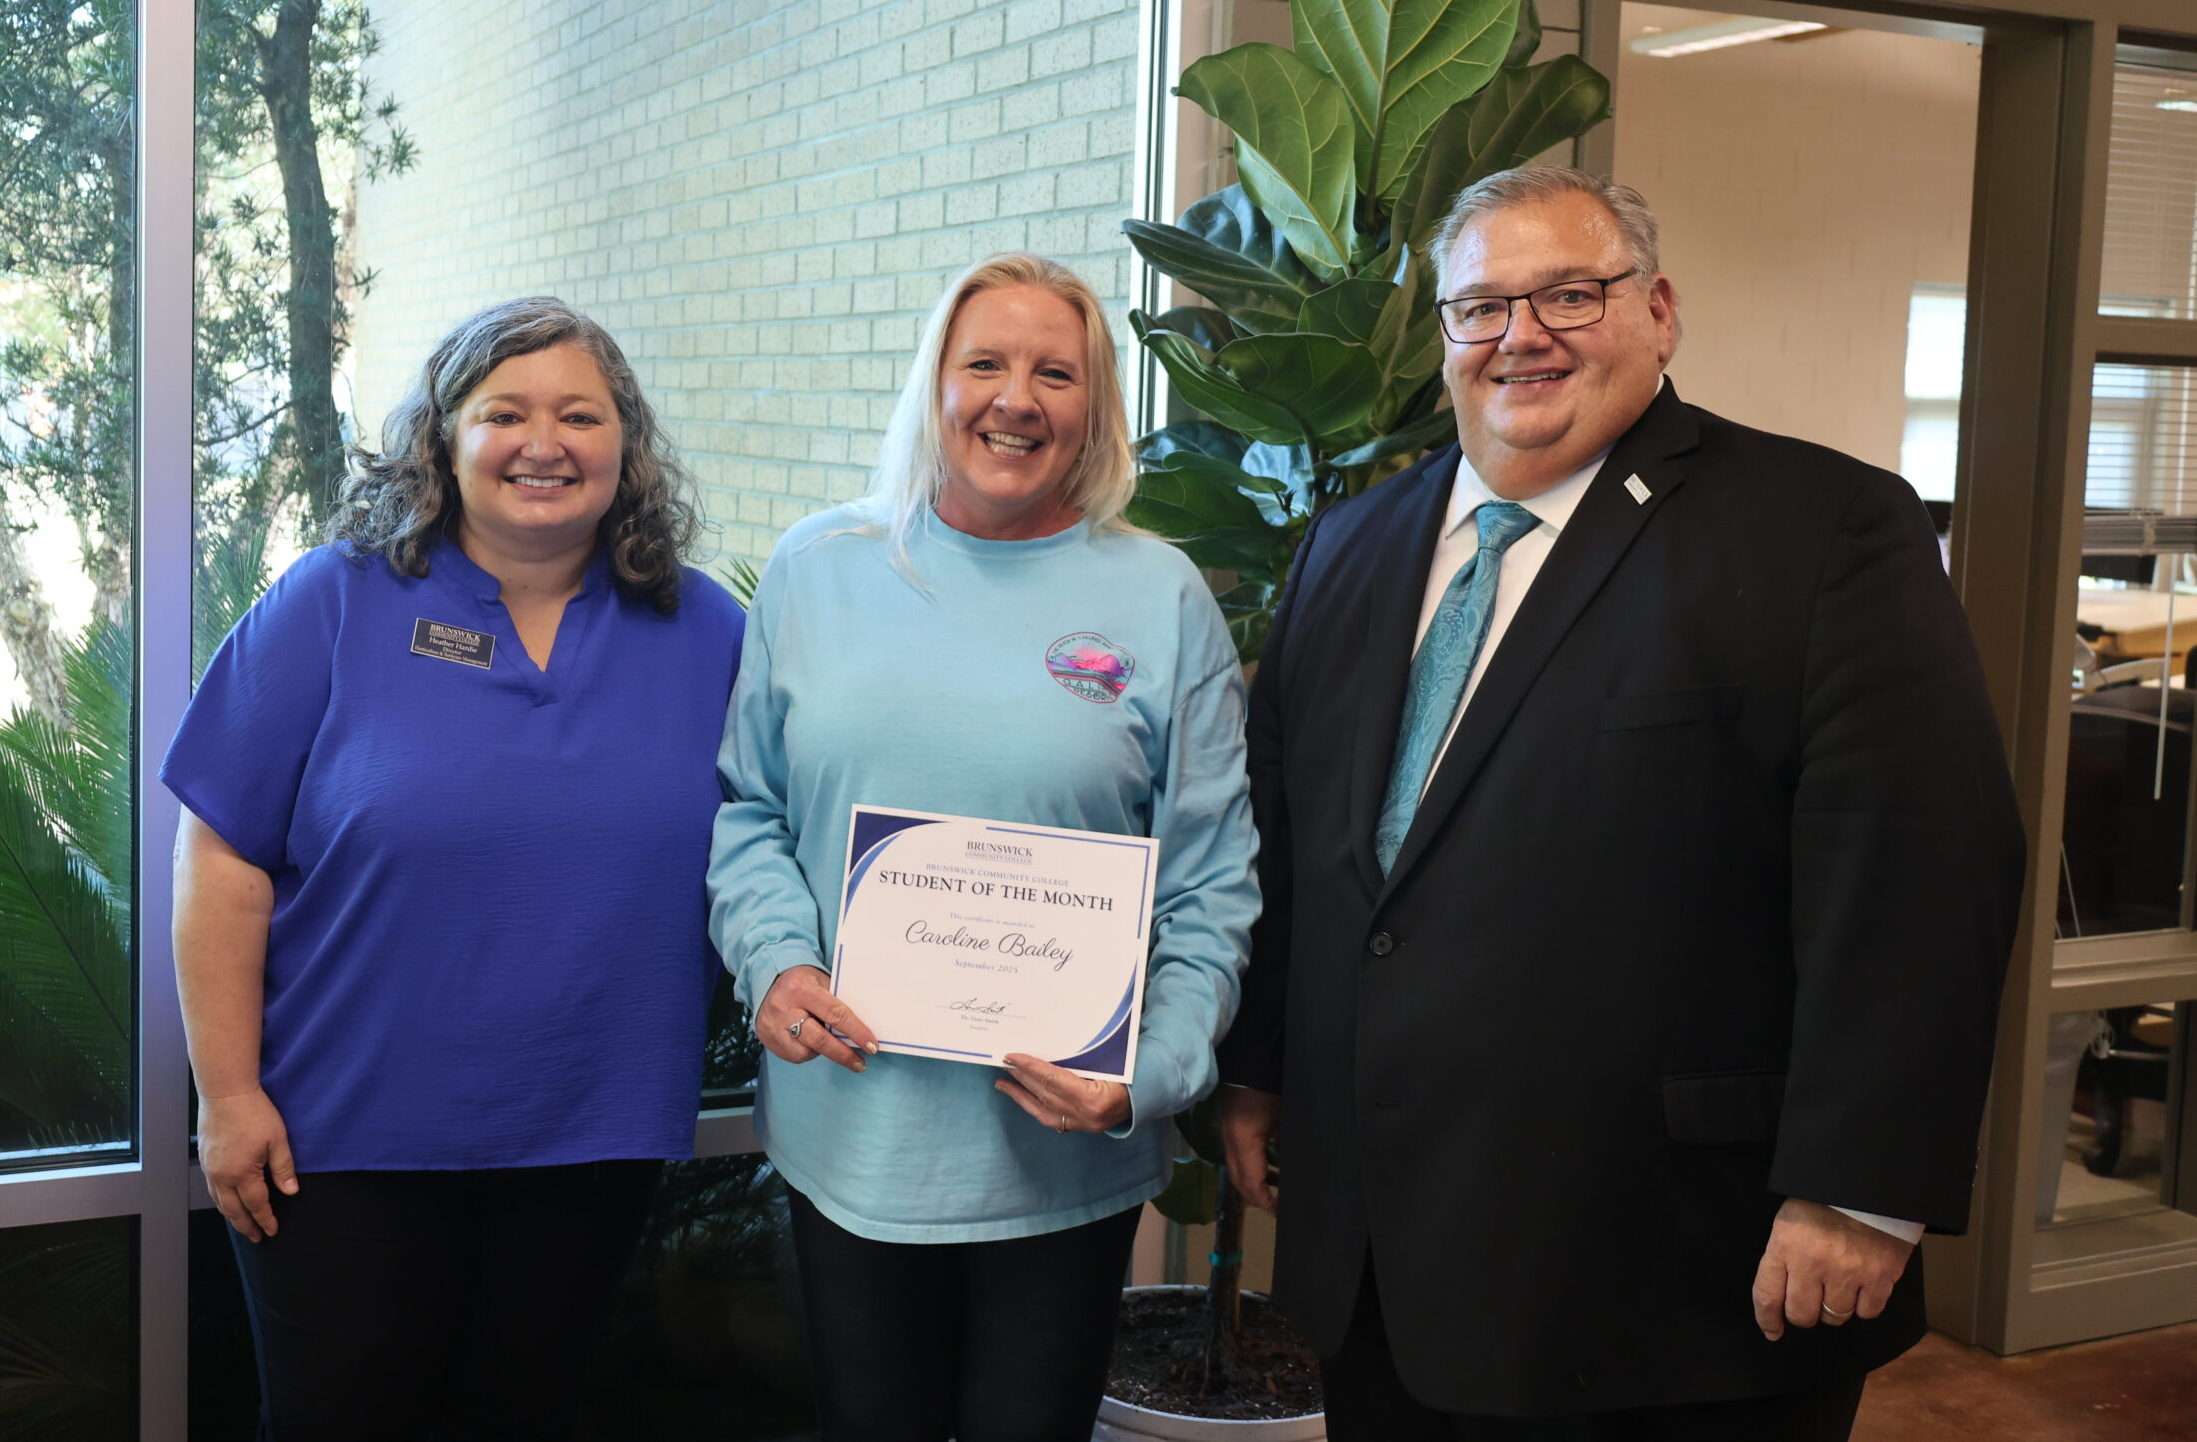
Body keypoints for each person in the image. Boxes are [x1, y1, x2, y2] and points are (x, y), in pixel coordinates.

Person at [1215, 166, 2026, 1439]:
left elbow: (1920, 869)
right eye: (1479, 306)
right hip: (1381, 1265)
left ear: (1657, 310)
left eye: (1568, 293)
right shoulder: (1351, 543)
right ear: (1442, 338)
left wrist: (1858, 1191)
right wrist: (1258, 1070)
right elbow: (1296, 838)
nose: (1519, 335)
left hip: (1674, 1280)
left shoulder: (1822, 530)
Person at [166, 296, 744, 1441]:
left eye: (581, 414)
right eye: (505, 412)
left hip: (590, 1136)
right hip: (334, 1144)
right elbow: (223, 854)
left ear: (625, 443)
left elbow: (776, 830)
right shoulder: (333, 601)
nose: (545, 442)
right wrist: (228, 1097)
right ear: (444, 438)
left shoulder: (705, 630)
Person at [707, 252, 1258, 1442]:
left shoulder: (1161, 600)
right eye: (986, 364)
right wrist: (778, 962)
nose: (1017, 397)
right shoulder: (818, 569)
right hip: (851, 1142)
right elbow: (748, 810)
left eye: (1055, 371)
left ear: (1095, 407)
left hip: (1059, 1172)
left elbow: (1212, 878)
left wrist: (1148, 1071)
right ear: (935, 385)